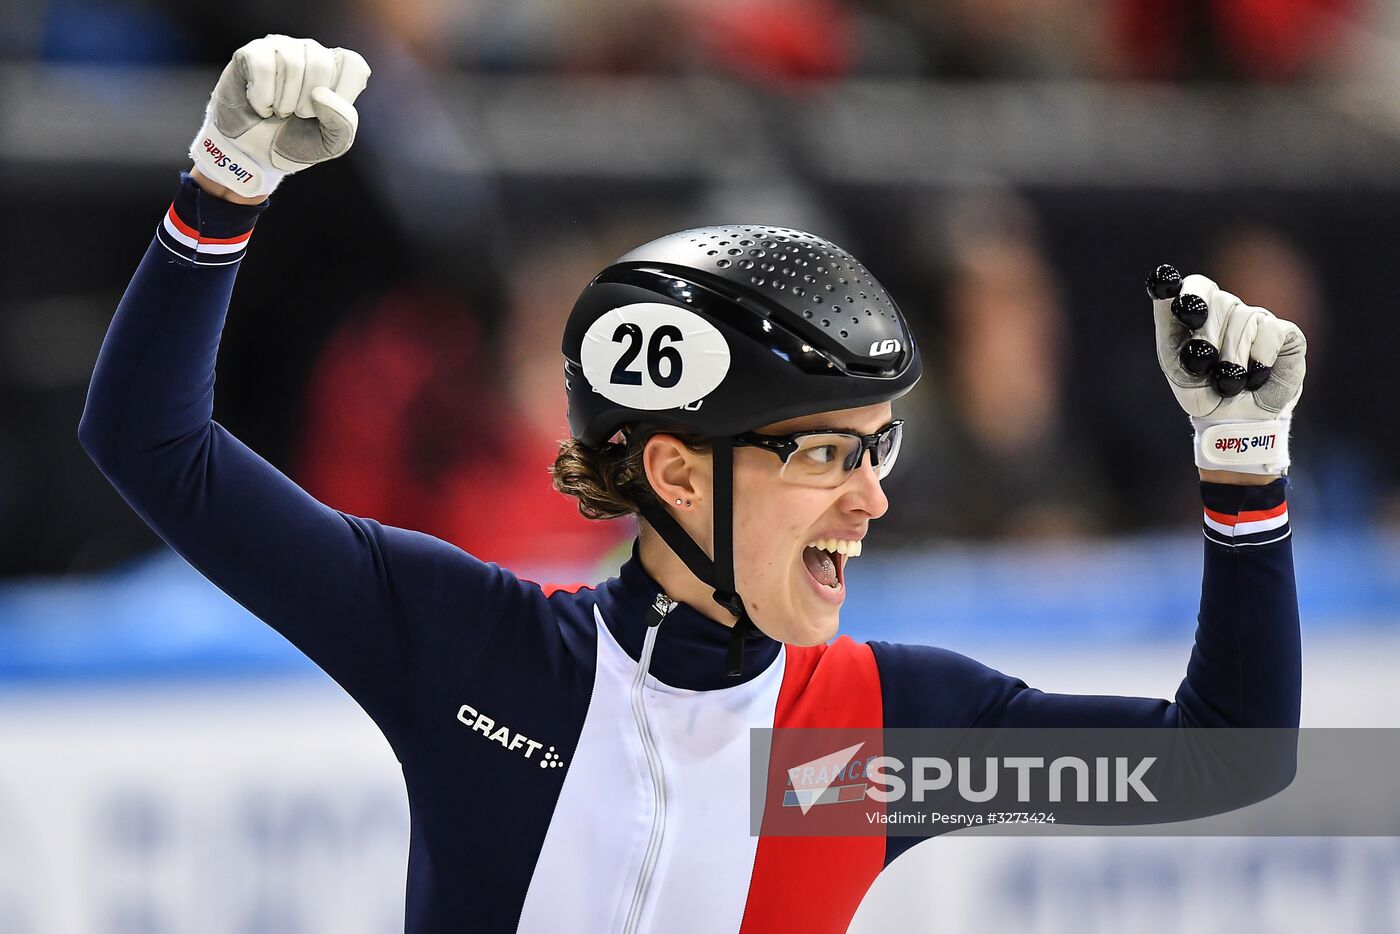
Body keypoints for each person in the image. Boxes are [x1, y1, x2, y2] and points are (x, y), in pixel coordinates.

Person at [79, 36, 1306, 934]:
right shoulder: (470, 653)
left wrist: (1241, 464)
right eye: (826, 452)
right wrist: (225, 184)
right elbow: (149, 440)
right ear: (673, 469)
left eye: (877, 448)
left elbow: (1224, 760)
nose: (870, 499)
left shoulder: (863, 750)